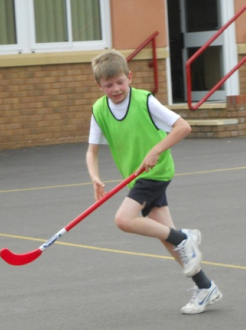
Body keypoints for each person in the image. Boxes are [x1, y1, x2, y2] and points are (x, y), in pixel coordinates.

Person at [86, 50, 222, 314]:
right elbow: (91, 151)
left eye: (120, 82)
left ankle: (186, 236)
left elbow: (183, 127)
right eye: (108, 85)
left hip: (155, 172)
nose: (115, 89)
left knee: (124, 220)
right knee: (165, 236)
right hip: (135, 175)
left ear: (129, 77)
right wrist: (94, 176)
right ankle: (205, 287)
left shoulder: (144, 101)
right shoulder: (99, 110)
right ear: (99, 85)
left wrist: (156, 150)